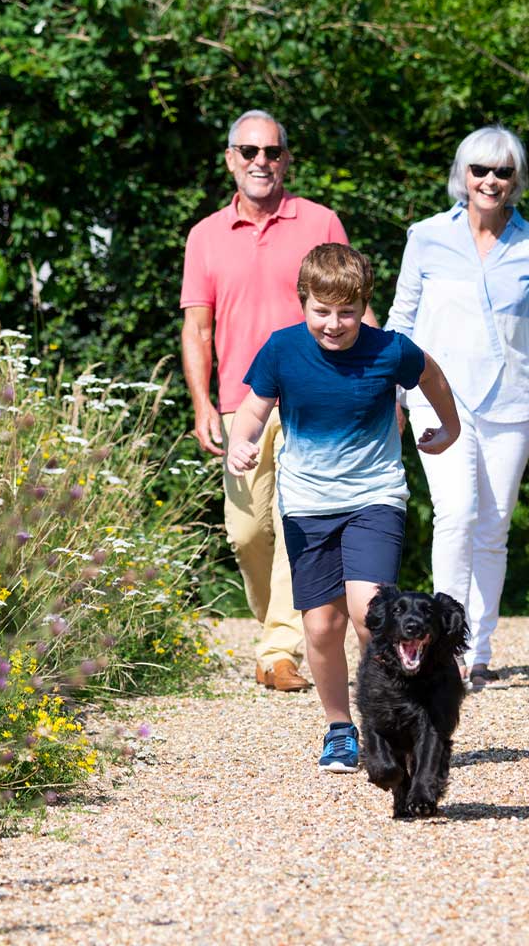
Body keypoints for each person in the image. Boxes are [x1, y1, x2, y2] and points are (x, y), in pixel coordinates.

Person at [226, 243, 460, 772]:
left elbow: (434, 378)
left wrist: (450, 427)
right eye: (322, 312)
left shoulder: (389, 350)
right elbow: (253, 409)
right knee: (321, 628)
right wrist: (244, 442)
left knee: (368, 613)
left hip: (375, 496)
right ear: (303, 302)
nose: (334, 324)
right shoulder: (282, 350)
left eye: (348, 312)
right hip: (308, 505)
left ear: (364, 306)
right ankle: (338, 728)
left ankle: (391, 721)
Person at [386, 125, 529, 692]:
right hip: (435, 395)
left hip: (514, 403)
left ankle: (479, 647)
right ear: (462, 175)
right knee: (455, 512)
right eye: (479, 170)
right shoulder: (425, 238)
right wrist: (393, 394)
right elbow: (401, 321)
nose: (490, 181)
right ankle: (442, 649)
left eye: (502, 171)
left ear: (516, 179)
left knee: (492, 528)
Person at [181, 110, 369, 693]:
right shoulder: (205, 235)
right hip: (241, 399)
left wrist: (380, 381)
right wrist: (202, 404)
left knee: (298, 521)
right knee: (245, 530)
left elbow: (352, 305)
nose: (261, 161)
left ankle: (279, 648)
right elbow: (197, 330)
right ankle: (276, 631)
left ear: (286, 158)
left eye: (272, 152)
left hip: (317, 397)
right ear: (230, 159)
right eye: (248, 151)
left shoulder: (320, 220)